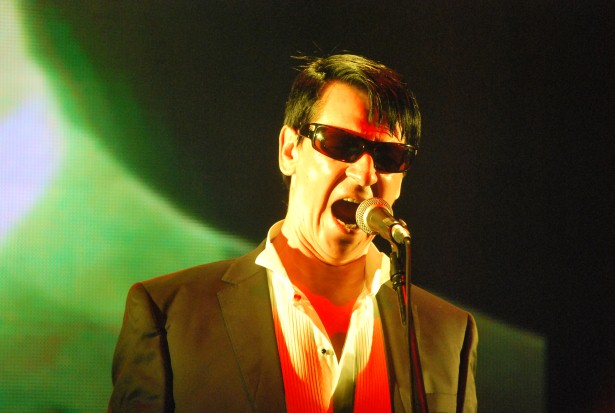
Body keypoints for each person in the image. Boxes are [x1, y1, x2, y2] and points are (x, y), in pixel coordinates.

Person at [108, 54, 478, 413]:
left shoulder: (448, 333)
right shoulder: (170, 314)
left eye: (388, 156)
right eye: (341, 144)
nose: (364, 174)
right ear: (289, 150)